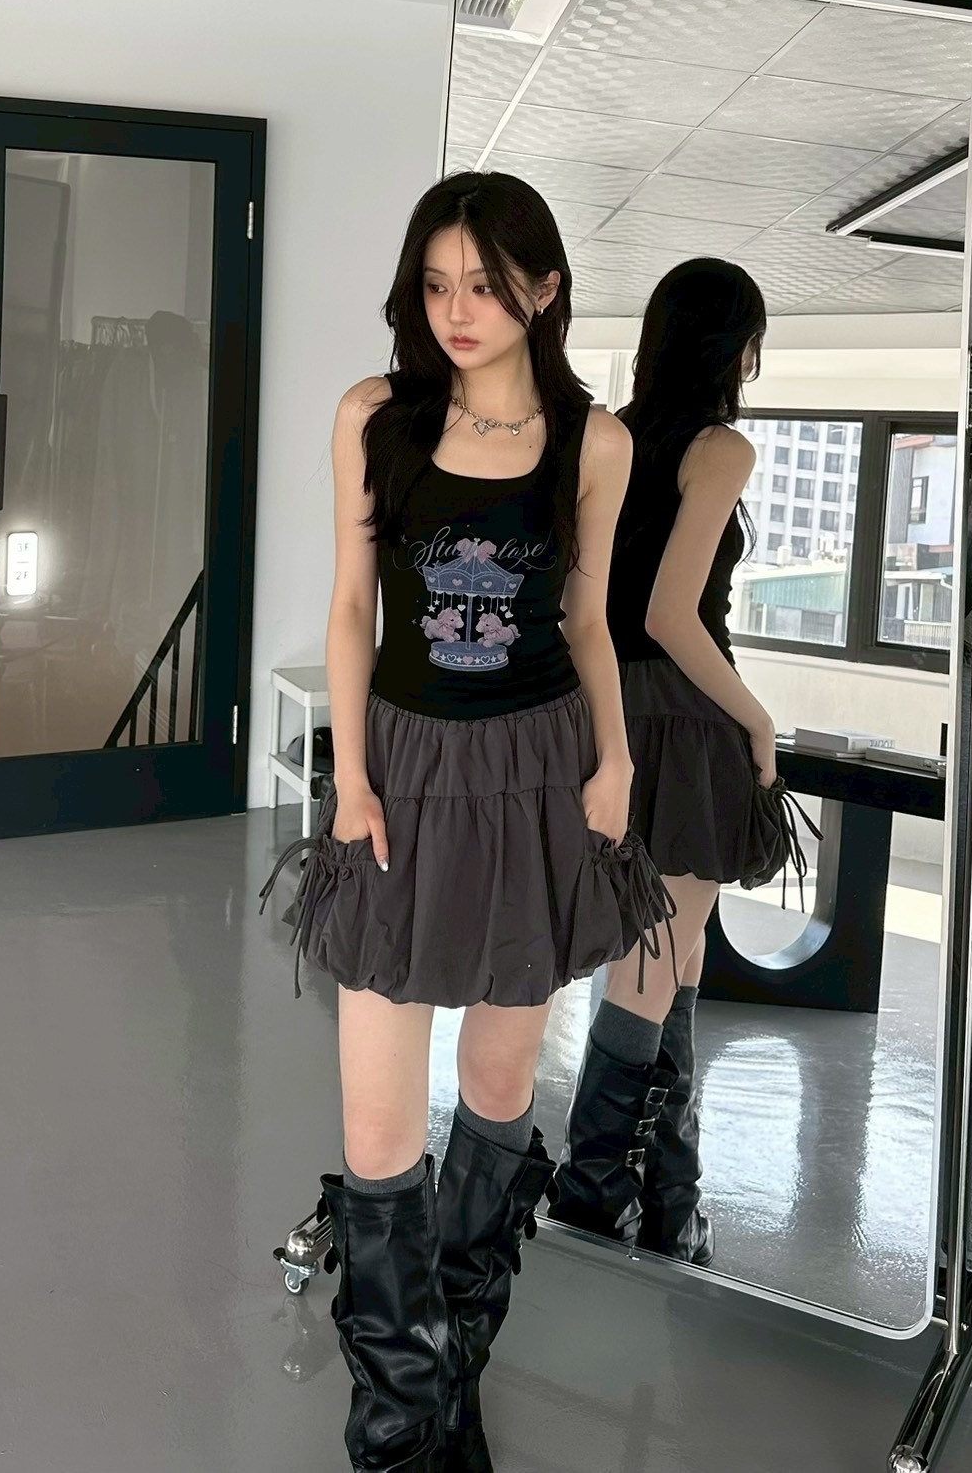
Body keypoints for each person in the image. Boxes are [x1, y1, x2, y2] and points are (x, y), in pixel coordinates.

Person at [263, 171, 674, 1473]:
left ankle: (451, 1387)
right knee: (381, 1129)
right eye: (437, 284)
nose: (458, 310)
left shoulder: (593, 442)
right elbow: (351, 607)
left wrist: (614, 760)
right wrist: (352, 778)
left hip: (540, 773)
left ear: (543, 290)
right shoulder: (375, 415)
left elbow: (588, 620)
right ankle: (395, 1429)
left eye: (486, 286)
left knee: (498, 1092)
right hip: (403, 771)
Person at [550, 258, 775, 1268]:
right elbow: (673, 615)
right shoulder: (719, 447)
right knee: (652, 962)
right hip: (682, 719)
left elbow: (583, 604)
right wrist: (756, 718)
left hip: (607, 709)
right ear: (736, 348)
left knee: (675, 956)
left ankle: (670, 1192)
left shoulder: (613, 435)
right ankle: (594, 1192)